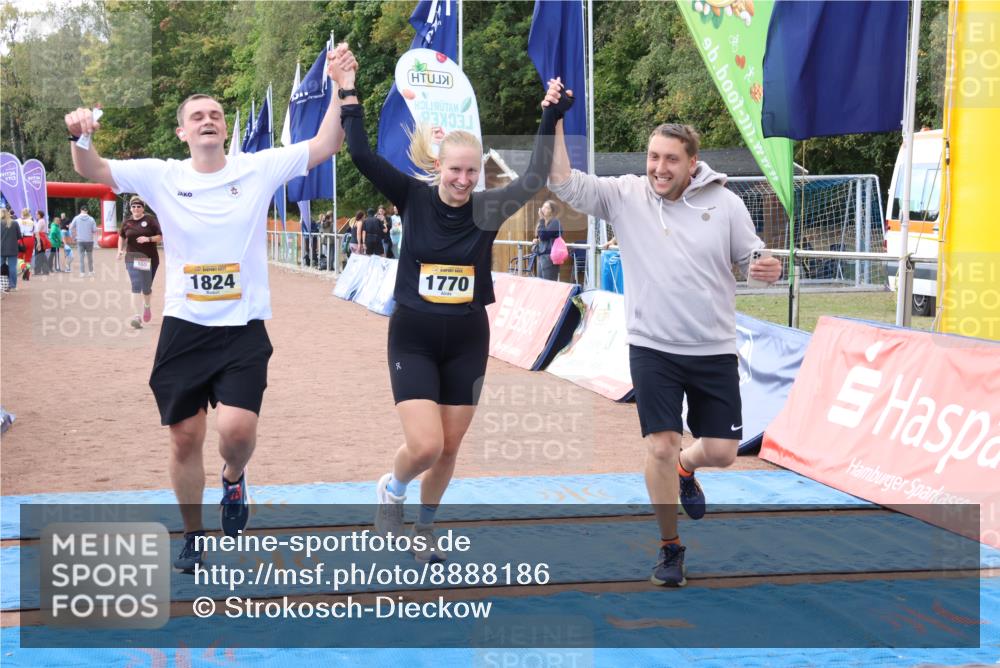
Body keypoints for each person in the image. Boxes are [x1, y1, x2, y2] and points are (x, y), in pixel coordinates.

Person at [64, 43, 351, 573]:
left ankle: (234, 479)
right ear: (182, 132)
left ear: (222, 127)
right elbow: (94, 167)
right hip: (185, 326)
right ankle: (193, 535)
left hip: (242, 328)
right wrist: (81, 135)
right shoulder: (162, 175)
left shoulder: (256, 168)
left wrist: (339, 88)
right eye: (197, 116)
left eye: (215, 114)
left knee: (235, 433)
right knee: (184, 438)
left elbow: (326, 143)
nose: (208, 120)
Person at [333, 50, 572, 564]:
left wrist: (551, 112)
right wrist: (348, 90)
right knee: (424, 445)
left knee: (448, 447)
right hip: (414, 337)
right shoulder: (412, 198)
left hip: (467, 339)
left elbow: (535, 176)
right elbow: (361, 155)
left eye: (471, 171)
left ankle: (424, 529)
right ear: (438, 166)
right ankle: (392, 490)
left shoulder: (489, 208)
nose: (463, 179)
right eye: (455, 170)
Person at [548, 121, 782, 587]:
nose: (659, 167)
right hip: (652, 346)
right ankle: (670, 546)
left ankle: (686, 467)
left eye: (671, 159)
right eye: (653, 157)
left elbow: (752, 259)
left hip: (713, 347)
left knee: (722, 453)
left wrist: (765, 268)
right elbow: (562, 181)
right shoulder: (626, 195)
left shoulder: (726, 204)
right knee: (659, 444)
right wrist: (553, 120)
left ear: (692, 163)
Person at [117, 196, 163, 328]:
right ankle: (136, 317)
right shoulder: (127, 222)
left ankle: (147, 306)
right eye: (133, 206)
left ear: (143, 208)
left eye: (139, 206)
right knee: (136, 285)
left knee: (146, 288)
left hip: (148, 258)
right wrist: (120, 250)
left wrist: (148, 239)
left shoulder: (150, 220)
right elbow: (121, 237)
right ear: (130, 208)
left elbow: (160, 237)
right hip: (132, 257)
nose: (136, 209)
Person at [533, 200, 562, 281]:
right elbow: (540, 236)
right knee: (541, 283)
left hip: (549, 257)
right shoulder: (544, 222)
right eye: (543, 206)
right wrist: (537, 240)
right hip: (542, 256)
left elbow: (543, 236)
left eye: (547, 208)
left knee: (549, 283)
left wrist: (541, 219)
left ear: (552, 211)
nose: (543, 209)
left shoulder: (555, 222)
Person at [69, 206, 98, 275]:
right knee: (90, 256)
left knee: (81, 257)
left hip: (80, 240)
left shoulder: (76, 218)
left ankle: (82, 272)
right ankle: (91, 271)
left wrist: (74, 237)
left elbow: (71, 228)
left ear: (80, 210)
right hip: (89, 240)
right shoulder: (91, 219)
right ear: (87, 211)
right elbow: (94, 230)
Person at [1, 209, 20, 292]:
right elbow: (19, 236)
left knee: (0, 266)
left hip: (1, 248)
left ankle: (2, 284)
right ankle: (13, 286)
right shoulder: (15, 223)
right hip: (13, 248)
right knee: (12, 267)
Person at [16, 208, 34, 278]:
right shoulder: (32, 221)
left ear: (22, 213)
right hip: (31, 239)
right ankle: (27, 273)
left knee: (19, 257)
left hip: (22, 239)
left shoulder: (19, 221)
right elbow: (36, 232)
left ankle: (23, 268)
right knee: (28, 258)